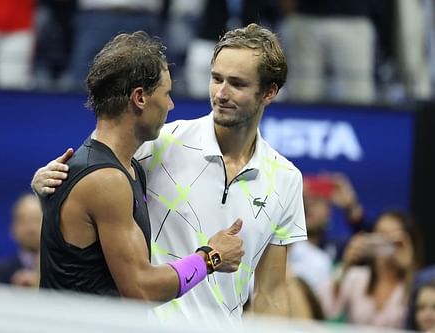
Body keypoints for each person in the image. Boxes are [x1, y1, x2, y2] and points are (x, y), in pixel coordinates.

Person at [33, 24, 306, 319]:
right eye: (216, 79)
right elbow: (95, 168)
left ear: (269, 92)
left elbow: (271, 291)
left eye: (237, 84)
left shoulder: (286, 178)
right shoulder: (158, 143)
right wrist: (48, 179)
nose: (221, 93)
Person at [37, 31, 244, 301]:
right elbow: (140, 289)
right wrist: (210, 258)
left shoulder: (125, 168)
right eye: (167, 93)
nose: (170, 104)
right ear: (139, 98)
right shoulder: (106, 180)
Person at [320, 210, 423, 328]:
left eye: (392, 237)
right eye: (380, 234)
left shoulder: (415, 282)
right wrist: (345, 266)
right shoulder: (357, 278)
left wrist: (409, 268)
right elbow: (327, 309)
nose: (383, 242)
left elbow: (420, 315)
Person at [0, 193, 42, 287]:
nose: (31, 228)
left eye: (37, 220)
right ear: (12, 228)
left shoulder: (65, 270)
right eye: (24, 221)